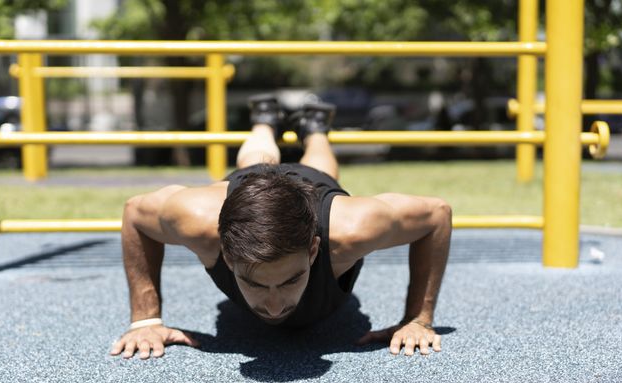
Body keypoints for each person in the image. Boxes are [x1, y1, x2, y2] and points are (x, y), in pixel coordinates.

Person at [110, 94, 452, 360]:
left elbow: (436, 214)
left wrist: (418, 318)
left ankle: (316, 128)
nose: (275, 307)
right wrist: (146, 320)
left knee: (322, 170)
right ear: (227, 255)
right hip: (249, 188)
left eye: (291, 279)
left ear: (315, 249)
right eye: (255, 283)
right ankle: (263, 122)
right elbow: (135, 214)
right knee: (254, 164)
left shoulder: (352, 229)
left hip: (314, 193)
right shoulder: (197, 221)